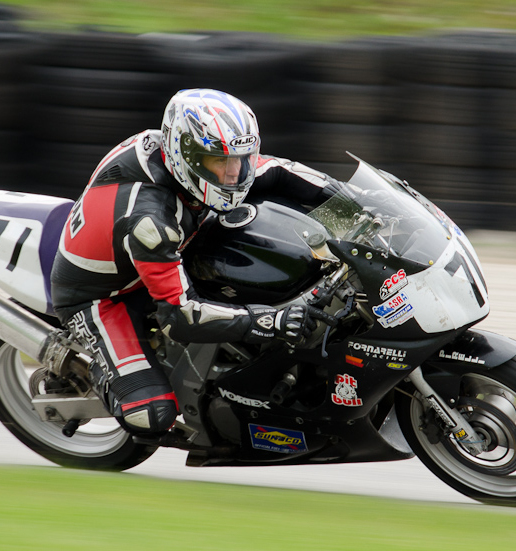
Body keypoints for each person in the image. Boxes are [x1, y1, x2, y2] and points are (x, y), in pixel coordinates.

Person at [50, 88, 340, 439]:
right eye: (220, 161)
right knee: (151, 415)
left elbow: (278, 170)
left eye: (240, 159)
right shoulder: (151, 221)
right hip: (103, 296)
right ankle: (102, 371)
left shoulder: (198, 163)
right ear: (184, 154)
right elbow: (180, 317)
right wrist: (269, 320)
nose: (233, 173)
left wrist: (361, 203)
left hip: (154, 252)